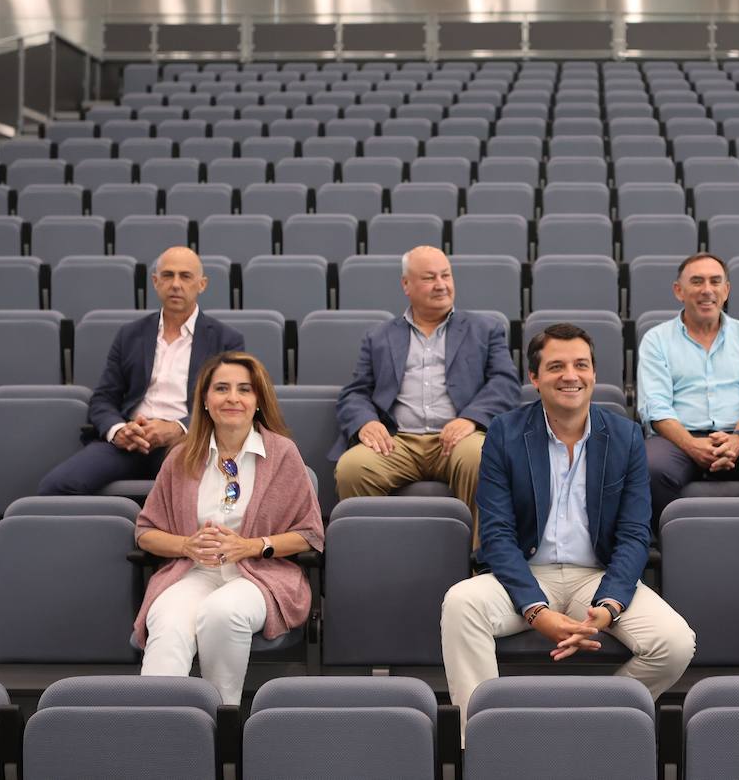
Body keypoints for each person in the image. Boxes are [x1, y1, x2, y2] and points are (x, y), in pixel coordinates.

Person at [440, 323, 695, 729]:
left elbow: (633, 535)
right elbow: (498, 535)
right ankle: (482, 737)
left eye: (581, 365)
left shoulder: (626, 437)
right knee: (460, 603)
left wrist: (609, 607)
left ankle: (600, 720)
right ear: (535, 378)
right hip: (522, 577)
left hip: (595, 578)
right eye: (556, 366)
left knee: (676, 643)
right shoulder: (505, 435)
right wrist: (537, 611)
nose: (570, 376)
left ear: (595, 374)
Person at [133, 351, 324, 706]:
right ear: (205, 400)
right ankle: (157, 725)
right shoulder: (181, 455)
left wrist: (252, 546)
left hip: (259, 576)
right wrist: (186, 546)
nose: (232, 398)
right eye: (221, 388)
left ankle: (221, 718)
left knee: (222, 612)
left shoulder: (282, 453)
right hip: (195, 572)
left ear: (257, 401)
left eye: (244, 390)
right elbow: (146, 530)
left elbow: (310, 534)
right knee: (168, 621)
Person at [330, 245, 520, 520]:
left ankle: (483, 560)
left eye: (446, 276)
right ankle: (372, 559)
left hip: (459, 439)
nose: (441, 285)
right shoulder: (379, 336)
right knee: (352, 467)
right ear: (406, 284)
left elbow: (505, 382)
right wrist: (365, 423)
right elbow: (356, 392)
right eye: (430, 278)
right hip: (397, 441)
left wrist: (471, 419)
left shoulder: (485, 329)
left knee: (481, 458)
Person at [38, 246, 245, 495]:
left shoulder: (226, 340)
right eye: (168, 276)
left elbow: (229, 404)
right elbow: (103, 399)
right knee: (55, 487)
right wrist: (118, 430)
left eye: (185, 276)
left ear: (202, 284)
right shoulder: (130, 335)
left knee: (197, 493)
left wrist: (178, 428)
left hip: (186, 442)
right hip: (130, 441)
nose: (176, 284)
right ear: (155, 282)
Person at [635, 252, 739, 524]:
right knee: (650, 471)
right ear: (679, 291)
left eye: (715, 282)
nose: (707, 290)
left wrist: (738, 440)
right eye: (697, 282)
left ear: (726, 290)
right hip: (678, 438)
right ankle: (675, 549)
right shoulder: (656, 339)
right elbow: (654, 408)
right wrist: (692, 446)